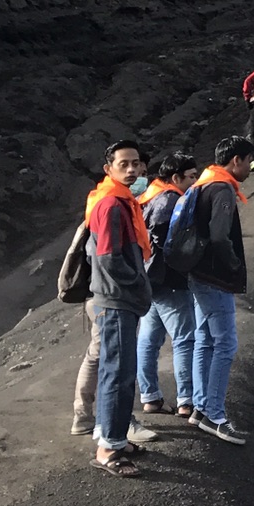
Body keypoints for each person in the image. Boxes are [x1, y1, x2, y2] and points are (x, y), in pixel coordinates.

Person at [83, 140, 154, 475]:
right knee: (118, 373)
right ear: (108, 168)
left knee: (121, 371)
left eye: (136, 163)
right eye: (123, 164)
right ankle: (108, 449)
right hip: (115, 300)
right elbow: (110, 258)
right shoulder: (112, 205)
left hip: (115, 298)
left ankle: (115, 437)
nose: (132, 170)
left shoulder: (119, 201)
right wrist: (139, 284)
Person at [187, 137, 254, 443]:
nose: (250, 167)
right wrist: (231, 264)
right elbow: (218, 235)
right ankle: (215, 415)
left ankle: (200, 408)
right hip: (215, 277)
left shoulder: (203, 182)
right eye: (249, 161)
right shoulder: (223, 189)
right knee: (225, 344)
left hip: (198, 273)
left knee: (204, 341)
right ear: (236, 160)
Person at [138, 152, 199, 416]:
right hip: (170, 280)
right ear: (176, 178)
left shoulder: (148, 197)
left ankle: (150, 396)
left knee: (148, 339)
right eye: (191, 177)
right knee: (185, 339)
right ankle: (187, 400)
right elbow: (170, 245)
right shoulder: (172, 200)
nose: (195, 182)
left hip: (149, 279)